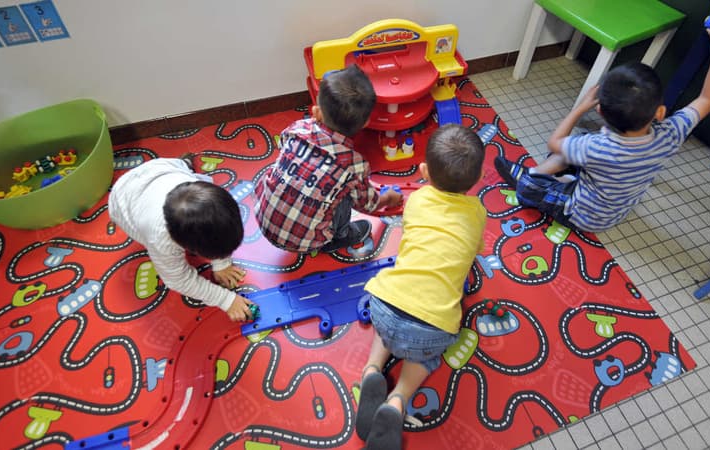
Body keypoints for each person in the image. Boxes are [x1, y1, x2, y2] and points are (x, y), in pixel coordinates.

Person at [493, 7, 710, 233]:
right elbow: (708, 98)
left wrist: (579, 109)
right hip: (616, 211)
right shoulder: (671, 134)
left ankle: (530, 182)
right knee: (572, 150)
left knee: (558, 157)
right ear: (660, 113)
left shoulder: (596, 148)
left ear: (599, 111)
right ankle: (558, 177)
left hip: (583, 216)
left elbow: (554, 142)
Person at [355, 124, 487, 449]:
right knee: (425, 355)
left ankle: (373, 369)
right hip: (431, 327)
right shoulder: (478, 212)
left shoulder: (416, 200)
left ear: (424, 171)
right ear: (477, 179)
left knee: (389, 323)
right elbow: (476, 250)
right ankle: (398, 399)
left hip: (384, 305)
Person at [254, 65, 402, 253]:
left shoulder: (298, 128)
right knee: (346, 191)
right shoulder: (354, 165)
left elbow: (283, 145)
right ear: (365, 123)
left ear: (316, 112)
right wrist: (388, 198)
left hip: (262, 218)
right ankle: (341, 236)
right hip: (304, 243)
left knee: (285, 165)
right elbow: (367, 204)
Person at [108, 156, 254, 321]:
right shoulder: (161, 238)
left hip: (163, 168)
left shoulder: (210, 195)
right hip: (123, 200)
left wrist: (221, 264)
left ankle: (185, 163)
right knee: (156, 244)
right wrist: (225, 300)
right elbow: (178, 280)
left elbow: (219, 227)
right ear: (181, 244)